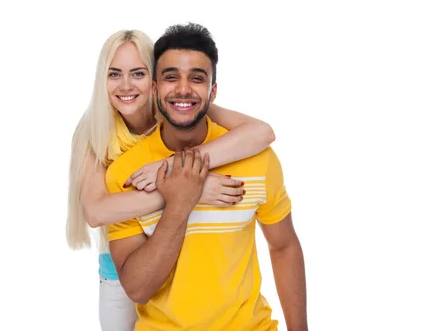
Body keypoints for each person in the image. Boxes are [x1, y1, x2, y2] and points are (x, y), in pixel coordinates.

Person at [67, 29, 279, 331]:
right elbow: (96, 212)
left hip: (179, 266)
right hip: (119, 271)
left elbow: (262, 133)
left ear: (154, 81)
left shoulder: (176, 107)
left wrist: (169, 166)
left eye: (137, 73)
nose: (126, 85)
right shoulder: (95, 130)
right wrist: (187, 188)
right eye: (114, 74)